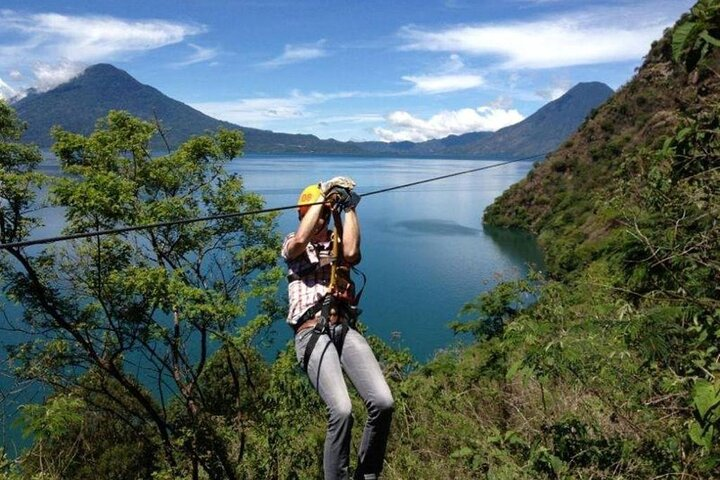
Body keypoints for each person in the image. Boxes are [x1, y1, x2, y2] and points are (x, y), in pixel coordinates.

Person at [281, 176, 394, 480]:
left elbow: (353, 253)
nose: (319, 221)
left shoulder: (335, 243)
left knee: (383, 403)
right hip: (310, 331)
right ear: (306, 216)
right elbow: (301, 243)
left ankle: (367, 475)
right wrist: (321, 198)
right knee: (342, 410)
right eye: (313, 215)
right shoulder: (292, 244)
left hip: (342, 328)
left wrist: (350, 208)